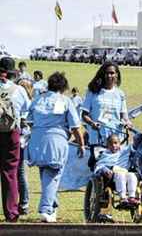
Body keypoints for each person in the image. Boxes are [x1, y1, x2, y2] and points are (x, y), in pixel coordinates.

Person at [26, 72, 85, 223]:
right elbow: (75, 127)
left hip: (37, 141)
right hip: (56, 141)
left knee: (45, 174)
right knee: (53, 174)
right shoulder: (65, 101)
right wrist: (81, 144)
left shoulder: (38, 99)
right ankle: (46, 209)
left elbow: (29, 121)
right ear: (64, 87)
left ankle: (53, 205)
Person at [0, 57, 31, 222]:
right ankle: (11, 213)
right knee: (10, 173)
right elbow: (27, 108)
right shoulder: (19, 90)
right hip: (12, 133)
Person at [81, 62, 132, 150]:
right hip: (97, 139)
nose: (109, 76)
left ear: (117, 75)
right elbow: (84, 115)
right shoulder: (93, 92)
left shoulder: (120, 94)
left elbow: (124, 116)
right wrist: (92, 123)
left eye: (112, 73)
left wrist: (127, 122)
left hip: (115, 142)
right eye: (106, 73)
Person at [94, 134, 139, 206]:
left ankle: (132, 197)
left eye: (115, 143)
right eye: (110, 144)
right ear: (107, 145)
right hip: (112, 176)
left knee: (132, 175)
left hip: (125, 172)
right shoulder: (105, 154)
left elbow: (134, 146)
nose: (113, 146)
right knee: (119, 174)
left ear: (119, 143)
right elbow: (99, 165)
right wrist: (105, 169)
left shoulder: (124, 151)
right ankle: (123, 197)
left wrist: (139, 137)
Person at [17, 79, 34, 215]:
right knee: (21, 173)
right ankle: (24, 203)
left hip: (19, 138)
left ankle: (23, 202)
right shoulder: (32, 104)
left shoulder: (22, 103)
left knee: (20, 173)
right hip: (25, 141)